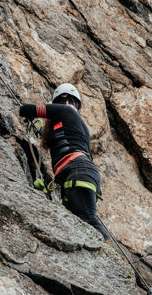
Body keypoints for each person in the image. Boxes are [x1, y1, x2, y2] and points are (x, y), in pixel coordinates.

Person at [19, 84, 110, 240]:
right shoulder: (75, 125)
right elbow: (59, 141)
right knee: (79, 226)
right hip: (78, 174)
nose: (68, 105)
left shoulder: (66, 112)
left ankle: (111, 256)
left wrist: (31, 115)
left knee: (89, 220)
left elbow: (26, 109)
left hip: (78, 172)